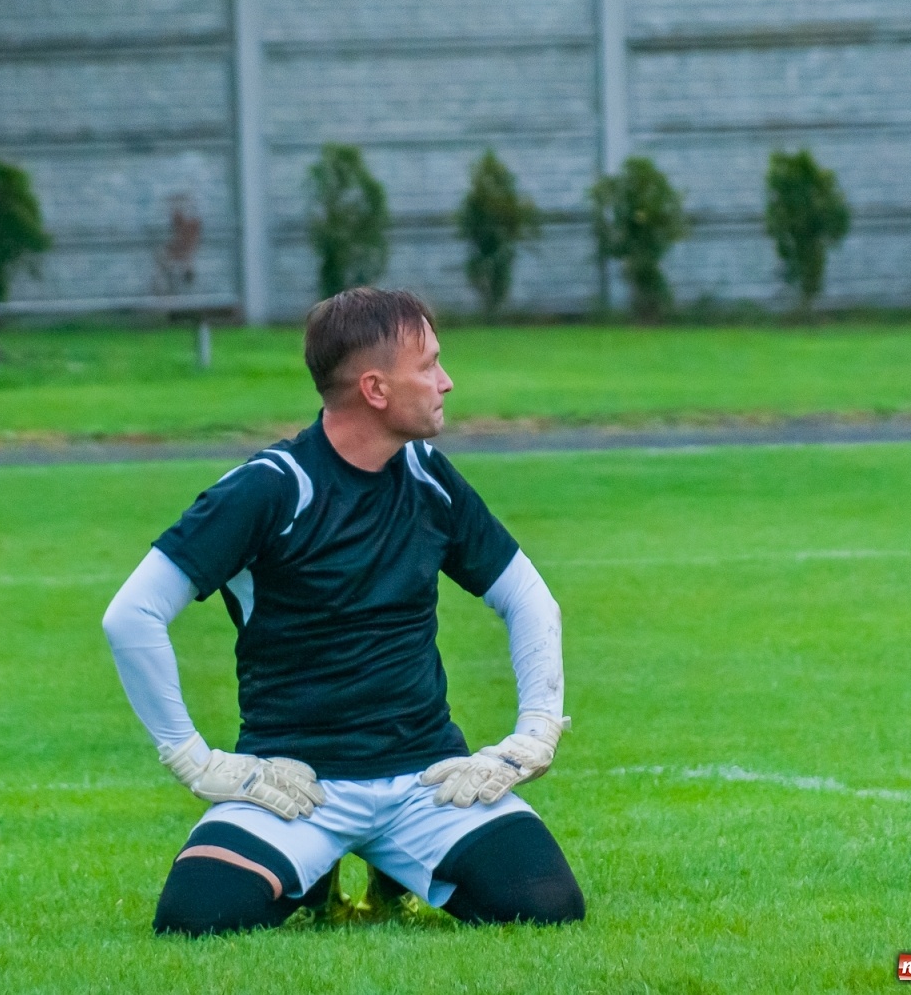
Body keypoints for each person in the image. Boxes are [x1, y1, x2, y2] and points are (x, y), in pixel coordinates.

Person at [102, 288, 585, 936]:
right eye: (429, 367)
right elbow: (132, 614)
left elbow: (528, 598)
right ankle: (314, 875)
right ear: (376, 389)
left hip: (425, 778)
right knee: (198, 917)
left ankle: (396, 877)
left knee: (546, 902)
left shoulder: (428, 477)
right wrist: (197, 761)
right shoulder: (271, 488)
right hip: (297, 784)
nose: (446, 382)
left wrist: (534, 733)